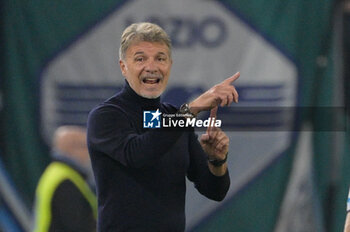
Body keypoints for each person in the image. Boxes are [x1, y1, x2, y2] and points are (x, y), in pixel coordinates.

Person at [87, 22, 240, 231]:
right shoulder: (106, 116)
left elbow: (214, 190)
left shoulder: (174, 117)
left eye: (160, 58)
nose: (152, 67)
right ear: (123, 67)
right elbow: (139, 154)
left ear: (169, 65)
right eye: (140, 59)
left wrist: (217, 159)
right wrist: (192, 108)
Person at [33, 126, 97, 232]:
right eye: (86, 147)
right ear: (73, 148)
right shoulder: (66, 181)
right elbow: (79, 225)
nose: (89, 154)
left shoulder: (57, 173)